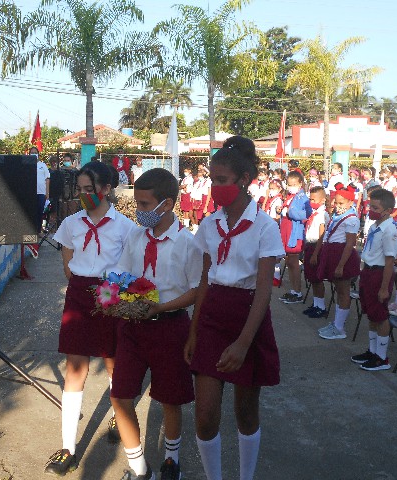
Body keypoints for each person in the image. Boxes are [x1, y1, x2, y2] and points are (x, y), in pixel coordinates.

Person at [185, 135, 284, 480]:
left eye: (222, 180)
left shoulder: (265, 226)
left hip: (248, 318)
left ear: (243, 180)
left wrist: (243, 343)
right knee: (205, 415)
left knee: (246, 411)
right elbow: (203, 280)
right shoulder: (209, 224)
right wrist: (193, 332)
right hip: (213, 315)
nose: (215, 187)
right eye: (212, 179)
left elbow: (263, 290)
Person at [45, 161, 137, 476]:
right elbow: (67, 256)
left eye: (90, 189)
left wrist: (113, 293)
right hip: (80, 296)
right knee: (75, 369)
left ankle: (118, 414)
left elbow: (129, 265)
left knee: (113, 364)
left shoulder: (124, 226)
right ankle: (68, 448)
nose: (84, 194)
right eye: (80, 189)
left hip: (110, 295)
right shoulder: (72, 222)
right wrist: (78, 283)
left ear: (107, 189)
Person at [111, 168, 202, 480]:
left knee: (170, 399)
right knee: (121, 396)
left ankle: (171, 460)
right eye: (137, 203)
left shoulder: (187, 243)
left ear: (167, 204)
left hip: (170, 327)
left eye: (145, 205)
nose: (139, 211)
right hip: (133, 327)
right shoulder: (135, 237)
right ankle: (139, 469)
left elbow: (195, 290)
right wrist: (114, 294)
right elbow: (121, 273)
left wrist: (161, 306)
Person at [353, 188, 397, 371]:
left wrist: (384, 288)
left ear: (388, 211)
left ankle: (381, 357)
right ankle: (372, 351)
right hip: (368, 271)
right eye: (370, 206)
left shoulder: (389, 231)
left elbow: (389, 262)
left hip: (379, 274)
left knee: (380, 316)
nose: (370, 210)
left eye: (375, 208)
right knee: (371, 314)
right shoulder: (375, 227)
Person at [317, 184, 361, 340]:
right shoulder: (337, 216)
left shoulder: (351, 219)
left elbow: (350, 244)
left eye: (341, 203)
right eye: (336, 202)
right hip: (333, 254)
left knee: (343, 291)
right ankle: (336, 322)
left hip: (343, 257)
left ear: (350, 202)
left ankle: (340, 328)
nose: (337, 206)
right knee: (338, 291)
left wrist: (341, 265)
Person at [278, 170, 310, 304]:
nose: (291, 187)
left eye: (294, 184)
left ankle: (297, 292)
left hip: (294, 232)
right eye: (289, 184)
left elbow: (307, 214)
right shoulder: (290, 196)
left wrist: (289, 212)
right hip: (286, 230)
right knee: (289, 262)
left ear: (300, 183)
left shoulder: (303, 197)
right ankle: (293, 290)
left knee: (294, 262)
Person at [303, 186, 330, 318]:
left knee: (317, 279)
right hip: (310, 245)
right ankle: (316, 304)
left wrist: (315, 254)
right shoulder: (314, 213)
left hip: (317, 248)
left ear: (323, 200)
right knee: (312, 278)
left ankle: (321, 307)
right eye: (310, 199)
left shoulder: (322, 215)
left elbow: (321, 235)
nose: (311, 201)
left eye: (314, 199)